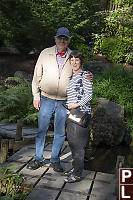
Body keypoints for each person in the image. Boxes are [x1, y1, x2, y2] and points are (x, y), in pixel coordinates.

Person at [27, 27, 93, 172]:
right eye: (60, 38)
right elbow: (36, 75)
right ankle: (38, 158)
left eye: (65, 38)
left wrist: (89, 76)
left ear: (68, 40)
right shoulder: (45, 53)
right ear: (55, 39)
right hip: (46, 99)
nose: (62, 41)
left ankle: (55, 160)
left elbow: (79, 72)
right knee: (41, 130)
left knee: (60, 133)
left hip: (64, 101)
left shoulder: (72, 56)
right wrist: (36, 96)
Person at [64, 50, 93, 183]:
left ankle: (77, 174)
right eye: (72, 60)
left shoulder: (86, 75)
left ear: (81, 61)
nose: (74, 62)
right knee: (71, 142)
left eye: (77, 60)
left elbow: (89, 95)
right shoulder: (72, 76)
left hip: (81, 114)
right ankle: (75, 167)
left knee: (79, 145)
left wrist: (76, 105)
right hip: (71, 114)